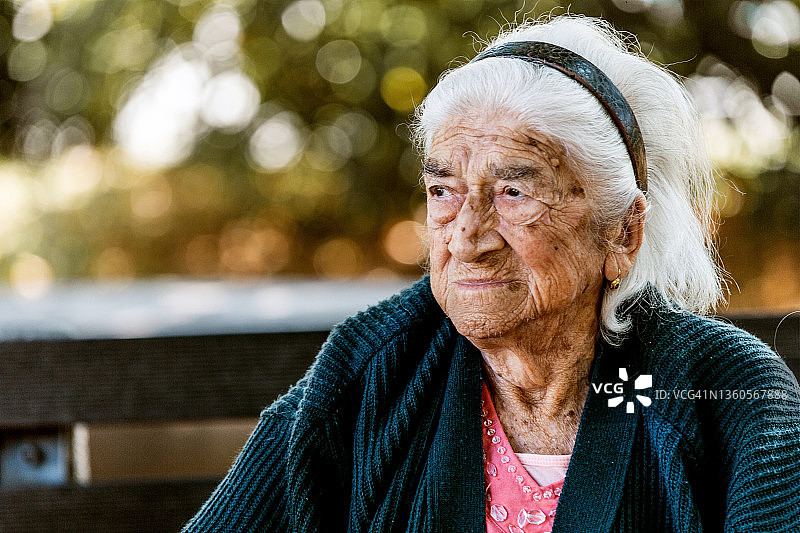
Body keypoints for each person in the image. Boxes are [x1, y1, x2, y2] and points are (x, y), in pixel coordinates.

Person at [183, 15, 800, 532]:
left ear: (622, 233)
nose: (466, 236)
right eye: (443, 189)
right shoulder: (372, 372)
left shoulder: (724, 394)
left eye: (512, 190)